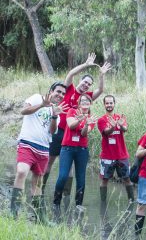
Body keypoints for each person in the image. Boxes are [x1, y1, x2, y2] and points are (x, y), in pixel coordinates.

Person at [42, 53, 111, 208]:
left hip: (76, 136)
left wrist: (101, 75)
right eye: (85, 82)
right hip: (59, 131)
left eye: (88, 84)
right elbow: (70, 74)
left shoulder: (86, 99)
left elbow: (100, 89)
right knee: (50, 162)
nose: (86, 85)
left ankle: (66, 196)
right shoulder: (69, 89)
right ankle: (41, 189)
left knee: (71, 170)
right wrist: (86, 64)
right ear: (80, 81)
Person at [10, 82, 67, 224]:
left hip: (43, 149)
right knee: (22, 171)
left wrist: (54, 116)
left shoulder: (57, 111)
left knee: (37, 183)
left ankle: (40, 218)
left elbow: (52, 132)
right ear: (51, 91)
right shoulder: (37, 98)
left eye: (63, 94)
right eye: (58, 92)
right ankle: (13, 215)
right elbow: (23, 111)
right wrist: (42, 105)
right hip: (27, 143)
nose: (60, 95)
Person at [53, 94, 98, 219]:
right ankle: (56, 201)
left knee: (81, 177)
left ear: (90, 103)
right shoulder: (72, 111)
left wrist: (86, 124)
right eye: (82, 100)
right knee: (63, 176)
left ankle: (78, 204)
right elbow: (71, 125)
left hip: (82, 150)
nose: (84, 102)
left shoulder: (91, 118)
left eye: (87, 100)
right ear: (79, 103)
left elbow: (84, 134)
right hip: (67, 148)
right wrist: (79, 119)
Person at [97, 95, 134, 204]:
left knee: (127, 179)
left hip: (122, 155)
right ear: (104, 105)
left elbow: (125, 129)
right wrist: (113, 126)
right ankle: (103, 203)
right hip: (107, 156)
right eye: (107, 103)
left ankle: (131, 201)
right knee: (104, 180)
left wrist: (121, 125)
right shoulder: (101, 120)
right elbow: (106, 132)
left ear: (114, 103)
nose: (109, 105)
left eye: (111, 103)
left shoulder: (120, 117)